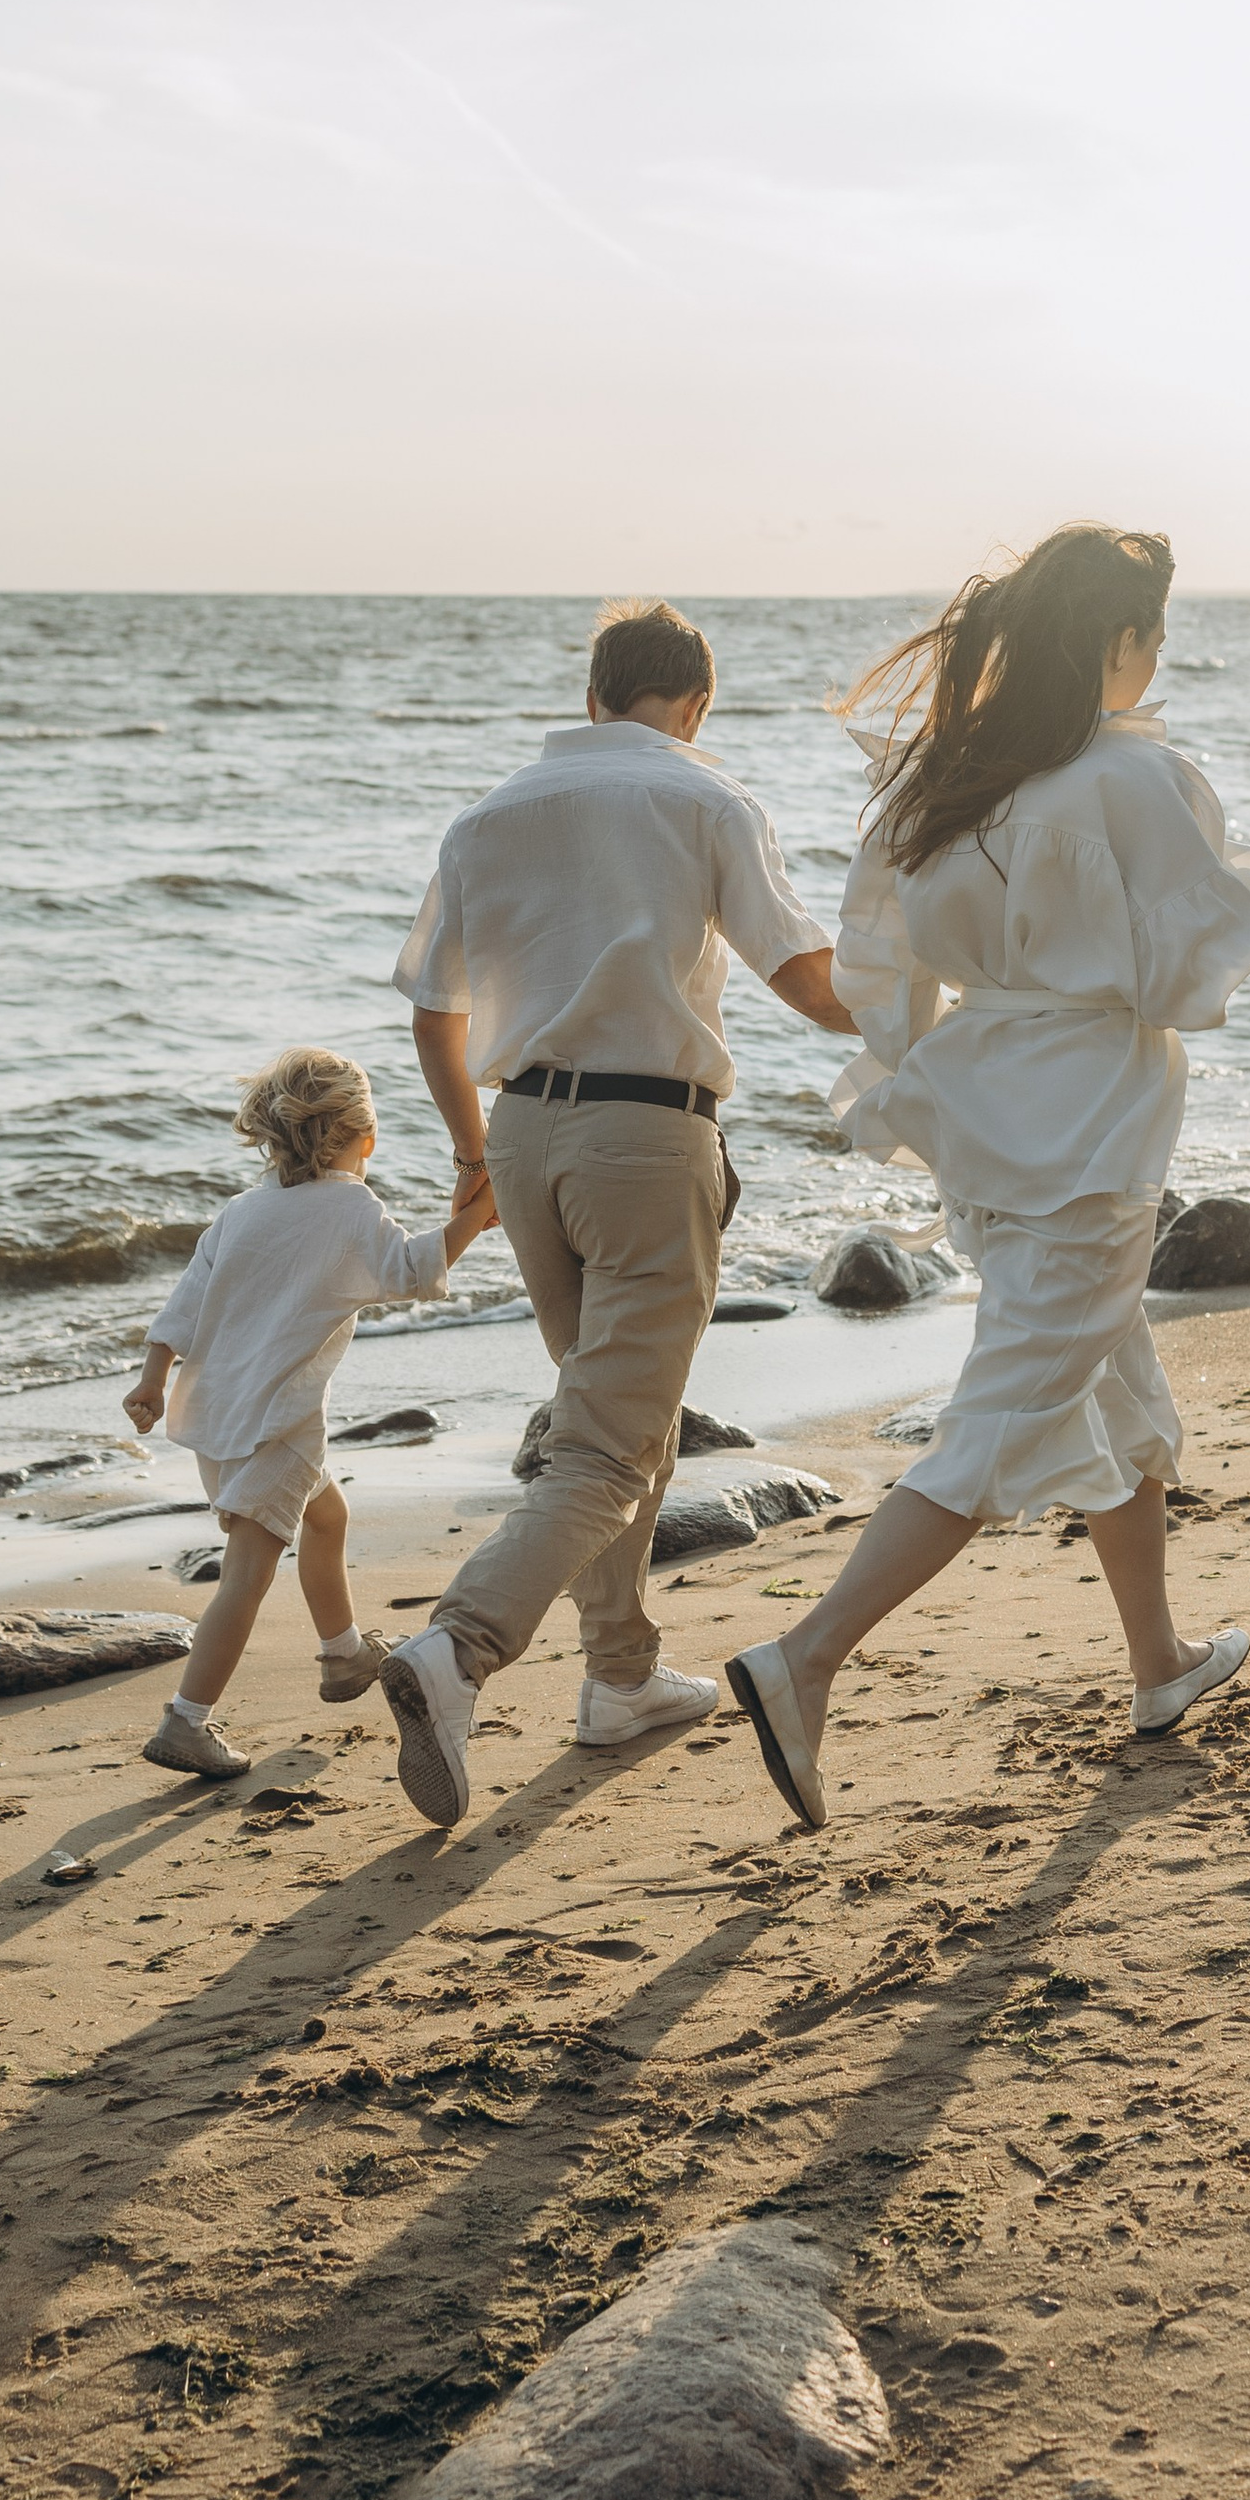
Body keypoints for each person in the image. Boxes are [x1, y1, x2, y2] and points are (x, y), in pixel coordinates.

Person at [723, 522, 1250, 1830]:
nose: (1157, 660)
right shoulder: (1132, 778)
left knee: (1112, 1383)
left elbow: (880, 976)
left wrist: (962, 1049)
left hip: (987, 1112)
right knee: (1004, 1414)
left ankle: (1158, 1663)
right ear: (1117, 638)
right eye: (1153, 636)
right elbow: (1184, 974)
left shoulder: (949, 780)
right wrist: (1236, 892)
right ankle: (804, 1658)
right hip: (1089, 1122)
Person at [377, 597, 857, 1828]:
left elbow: (433, 1011)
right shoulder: (705, 797)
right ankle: (458, 1648)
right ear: (695, 705)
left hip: (525, 1136)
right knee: (608, 1442)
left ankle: (621, 1677)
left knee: (607, 1419)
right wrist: (953, 1005)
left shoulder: (488, 816)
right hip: (647, 1136)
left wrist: (473, 1154)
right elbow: (809, 986)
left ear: (591, 696)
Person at [122, 1047, 482, 1780]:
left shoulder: (241, 1211)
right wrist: (478, 1215)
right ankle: (186, 1720)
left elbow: (183, 1305)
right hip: (276, 1424)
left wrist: (153, 1382)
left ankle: (343, 1653)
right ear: (365, 1138)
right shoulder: (350, 1207)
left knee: (326, 1516)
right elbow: (412, 1269)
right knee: (244, 1577)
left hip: (219, 1417)